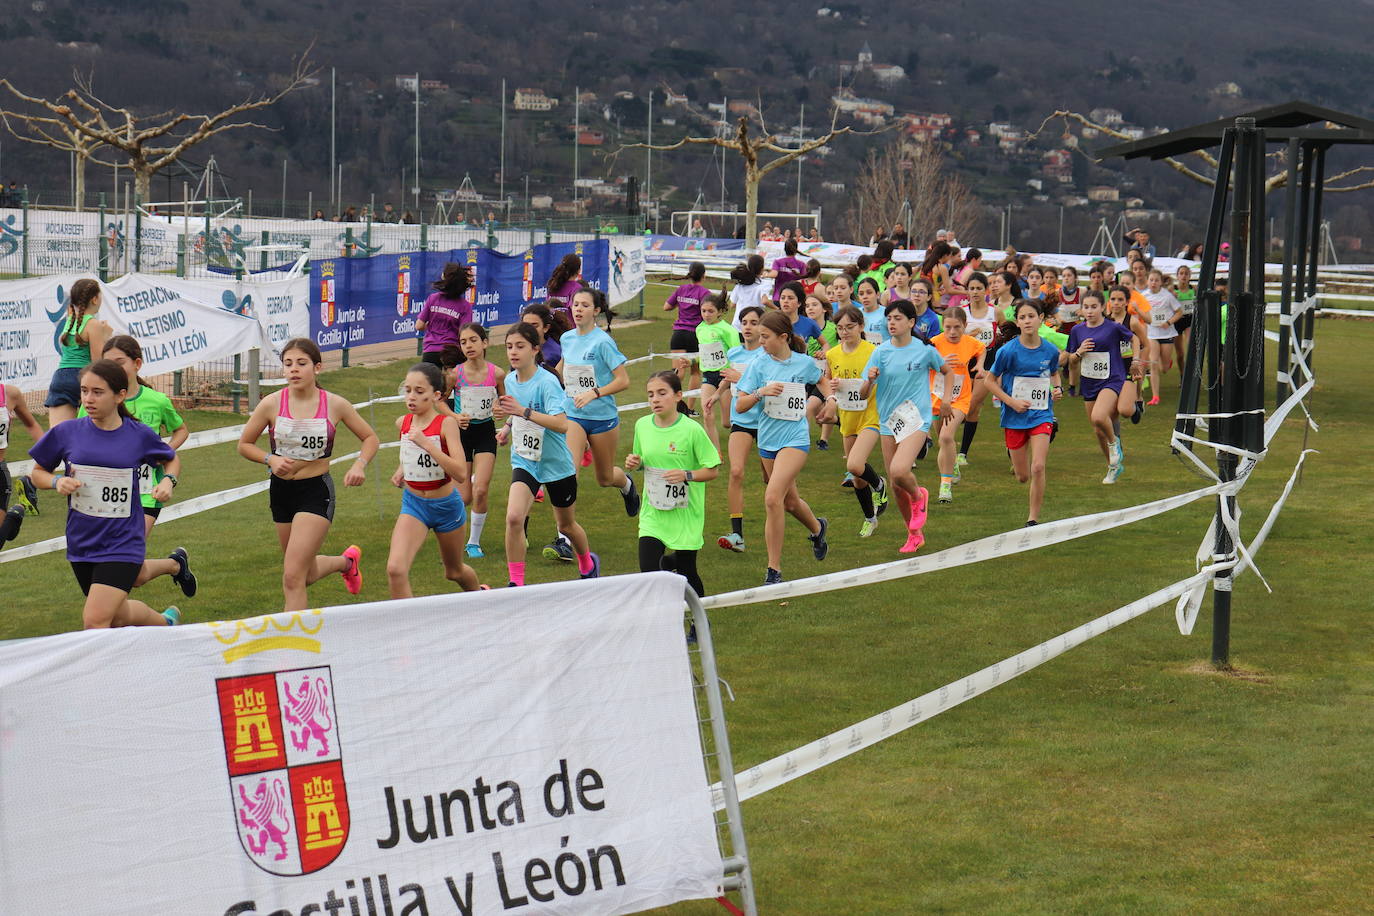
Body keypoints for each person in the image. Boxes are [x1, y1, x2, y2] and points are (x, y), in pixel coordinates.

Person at [27, 360, 183, 628]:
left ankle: (99, 672)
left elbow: (171, 459)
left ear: (119, 395)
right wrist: (56, 482)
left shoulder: (138, 435)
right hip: (82, 541)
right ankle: (166, 624)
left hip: (123, 542)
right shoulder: (67, 432)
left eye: (97, 392)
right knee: (118, 615)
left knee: (95, 621)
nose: (88, 399)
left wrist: (168, 481)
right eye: (84, 391)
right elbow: (37, 472)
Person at [237, 338, 379, 611]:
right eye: (288, 364)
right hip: (281, 492)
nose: (294, 370)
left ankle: (294, 645)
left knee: (292, 577)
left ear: (317, 368)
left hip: (315, 492)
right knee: (305, 572)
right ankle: (346, 563)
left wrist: (359, 464)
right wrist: (270, 459)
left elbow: (370, 438)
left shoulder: (335, 404)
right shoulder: (271, 404)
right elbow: (244, 445)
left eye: (301, 364)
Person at [79, 336, 197, 596]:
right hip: (106, 498)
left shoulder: (156, 400)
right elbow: (81, 438)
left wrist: (164, 454)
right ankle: (175, 565)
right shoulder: (93, 401)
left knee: (121, 564)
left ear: (137, 364)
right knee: (131, 573)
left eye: (119, 363)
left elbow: (181, 430)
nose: (113, 369)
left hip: (146, 494)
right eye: (107, 363)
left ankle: (117, 616)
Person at [495, 322, 599, 585]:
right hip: (526, 460)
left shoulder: (548, 382)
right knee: (514, 517)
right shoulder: (509, 379)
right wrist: (506, 424)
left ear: (535, 349)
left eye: (520, 346)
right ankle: (515, 583)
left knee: (566, 526)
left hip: (556, 463)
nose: (513, 352)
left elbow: (562, 424)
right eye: (509, 347)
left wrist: (522, 412)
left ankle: (587, 562)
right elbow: (516, 411)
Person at [733, 311, 829, 584]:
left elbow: (821, 380)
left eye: (765, 336)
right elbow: (740, 405)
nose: (760, 341)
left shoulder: (803, 363)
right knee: (789, 502)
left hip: (795, 439)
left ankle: (773, 569)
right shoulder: (758, 365)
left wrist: (830, 399)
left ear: (783, 337)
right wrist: (760, 393)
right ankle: (817, 528)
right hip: (767, 441)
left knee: (772, 498)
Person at [859, 300, 954, 553]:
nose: (892, 322)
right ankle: (913, 533)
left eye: (898, 318)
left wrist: (945, 401)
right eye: (889, 318)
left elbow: (948, 372)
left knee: (900, 470)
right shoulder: (880, 352)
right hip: (890, 422)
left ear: (911, 322)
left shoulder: (924, 349)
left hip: (916, 418)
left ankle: (919, 495)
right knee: (895, 483)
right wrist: (869, 380)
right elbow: (862, 393)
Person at [386, 363, 483, 597]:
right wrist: (402, 469)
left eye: (419, 391)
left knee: (454, 571)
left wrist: (428, 445)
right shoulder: (403, 423)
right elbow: (411, 452)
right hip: (414, 504)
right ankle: (409, 630)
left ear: (436, 395)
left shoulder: (445, 424)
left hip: (446, 507)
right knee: (395, 569)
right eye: (408, 390)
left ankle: (482, 597)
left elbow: (460, 472)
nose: (411, 397)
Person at [625, 371, 721, 597]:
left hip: (685, 513)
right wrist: (635, 462)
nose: (655, 399)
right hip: (653, 513)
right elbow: (642, 460)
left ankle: (700, 624)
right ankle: (664, 625)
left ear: (678, 396)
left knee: (688, 572)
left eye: (661, 393)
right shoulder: (642, 425)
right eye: (650, 395)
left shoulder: (691, 430)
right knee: (649, 573)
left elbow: (713, 470)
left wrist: (686, 475)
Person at [557, 286, 640, 514]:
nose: (578, 310)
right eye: (575, 305)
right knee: (568, 473)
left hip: (602, 417)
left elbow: (623, 381)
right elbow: (562, 369)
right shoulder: (566, 338)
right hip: (573, 415)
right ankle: (563, 535)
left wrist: (594, 392)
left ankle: (626, 484)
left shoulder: (603, 342)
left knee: (604, 478)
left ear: (596, 310)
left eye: (585, 305)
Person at [983, 301, 1063, 526]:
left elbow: (1054, 374)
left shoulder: (1049, 350)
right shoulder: (1008, 351)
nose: (1027, 321)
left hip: (1041, 414)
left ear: (1040, 319)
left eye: (1031, 316)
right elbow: (989, 381)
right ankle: (1019, 463)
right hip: (1014, 416)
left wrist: (1057, 389)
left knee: (1038, 466)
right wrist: (1011, 402)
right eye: (1023, 317)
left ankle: (1033, 519)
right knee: (1022, 476)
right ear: (1017, 322)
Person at [1067, 290, 1147, 484]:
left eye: (1094, 307)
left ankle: (1114, 443)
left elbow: (1134, 338)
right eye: (1086, 307)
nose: (1090, 311)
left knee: (1098, 416)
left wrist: (1136, 360)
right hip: (1089, 382)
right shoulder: (1077, 331)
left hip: (1112, 379)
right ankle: (1113, 466)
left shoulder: (1112, 328)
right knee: (1097, 429)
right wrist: (1079, 352)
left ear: (1103, 307)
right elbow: (1070, 360)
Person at [821, 305, 888, 537]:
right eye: (840, 328)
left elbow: (881, 381)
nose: (845, 331)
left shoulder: (873, 351)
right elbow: (828, 380)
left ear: (861, 326)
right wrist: (832, 387)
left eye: (850, 327)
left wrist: (869, 382)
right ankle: (870, 518)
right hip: (847, 417)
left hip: (870, 414)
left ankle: (880, 484)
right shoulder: (832, 354)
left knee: (853, 465)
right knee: (858, 479)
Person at [446, 324, 506, 559]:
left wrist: (501, 408)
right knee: (464, 497)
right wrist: (454, 416)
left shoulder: (497, 374)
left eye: (473, 340)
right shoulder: (455, 375)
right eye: (463, 342)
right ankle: (452, 537)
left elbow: (505, 399)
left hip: (484, 434)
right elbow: (439, 402)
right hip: (462, 436)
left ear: (485, 343)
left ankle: (473, 543)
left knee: (480, 490)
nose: (468, 346)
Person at [711, 305, 766, 553]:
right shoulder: (734, 351)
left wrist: (737, 379)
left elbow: (767, 384)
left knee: (773, 482)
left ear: (763, 327)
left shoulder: (768, 355)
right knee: (735, 472)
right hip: (741, 420)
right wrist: (718, 392)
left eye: (754, 322)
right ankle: (737, 535)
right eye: (744, 322)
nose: (747, 326)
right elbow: (728, 376)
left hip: (768, 421)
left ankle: (813, 524)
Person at [928, 306, 985, 504]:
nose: (952, 332)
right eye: (948, 327)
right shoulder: (934, 343)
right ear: (942, 326)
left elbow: (982, 349)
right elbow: (922, 363)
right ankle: (952, 467)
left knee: (945, 436)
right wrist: (940, 362)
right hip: (936, 397)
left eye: (957, 328)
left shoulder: (970, 343)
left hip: (960, 398)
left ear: (965, 326)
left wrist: (980, 365)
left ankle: (945, 486)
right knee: (942, 441)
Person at [45, 278, 111, 427]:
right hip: (83, 378)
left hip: (60, 378)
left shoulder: (70, 320)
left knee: (58, 436)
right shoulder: (93, 324)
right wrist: (106, 337)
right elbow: (97, 364)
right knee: (92, 434)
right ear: (94, 299)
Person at [694, 294, 740, 453]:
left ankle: (746, 433)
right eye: (703, 311)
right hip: (708, 375)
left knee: (727, 422)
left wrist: (732, 374)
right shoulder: (699, 328)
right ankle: (716, 452)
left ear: (719, 312)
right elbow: (703, 352)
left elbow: (736, 355)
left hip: (725, 376)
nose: (706, 315)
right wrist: (692, 361)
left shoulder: (728, 330)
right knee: (707, 413)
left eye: (710, 311)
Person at [1, 380, 45, 545]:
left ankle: (13, 515)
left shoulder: (10, 394)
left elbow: (32, 424)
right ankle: (13, 517)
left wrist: (50, 450)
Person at [664, 262, 712, 407]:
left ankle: (673, 404)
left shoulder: (681, 289)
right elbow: (707, 312)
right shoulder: (705, 293)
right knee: (695, 372)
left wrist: (680, 305)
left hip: (678, 334)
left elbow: (666, 307)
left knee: (677, 371)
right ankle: (689, 408)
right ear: (704, 276)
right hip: (695, 334)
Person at [416, 263, 474, 366]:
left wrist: (431, 325)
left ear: (444, 278)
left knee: (430, 381)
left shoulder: (433, 298)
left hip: (430, 352)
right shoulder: (465, 306)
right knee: (451, 382)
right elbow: (464, 333)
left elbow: (419, 325)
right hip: (452, 353)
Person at [1141, 268, 1184, 405]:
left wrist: (1168, 322)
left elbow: (1179, 312)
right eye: (1151, 280)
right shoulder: (1144, 296)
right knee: (1153, 363)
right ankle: (1155, 397)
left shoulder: (1167, 296)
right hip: (1151, 333)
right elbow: (1140, 314)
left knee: (1163, 368)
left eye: (1156, 280)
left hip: (1167, 333)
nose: (1153, 283)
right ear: (1147, 281)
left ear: (1160, 282)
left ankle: (1166, 362)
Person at [727, 254, 769, 330]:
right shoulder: (764, 284)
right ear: (762, 268)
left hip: (738, 324)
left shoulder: (740, 285)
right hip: (755, 324)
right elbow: (765, 301)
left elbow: (732, 304)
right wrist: (777, 308)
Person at [767, 238, 808, 304]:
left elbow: (774, 274)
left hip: (779, 297)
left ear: (784, 249)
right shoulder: (801, 264)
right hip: (794, 299)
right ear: (796, 250)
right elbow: (804, 281)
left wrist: (765, 274)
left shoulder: (778, 262)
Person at [857, 276, 888, 344]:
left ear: (878, 294)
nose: (865, 297)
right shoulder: (855, 314)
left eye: (869, 292)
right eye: (861, 294)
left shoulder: (887, 313)